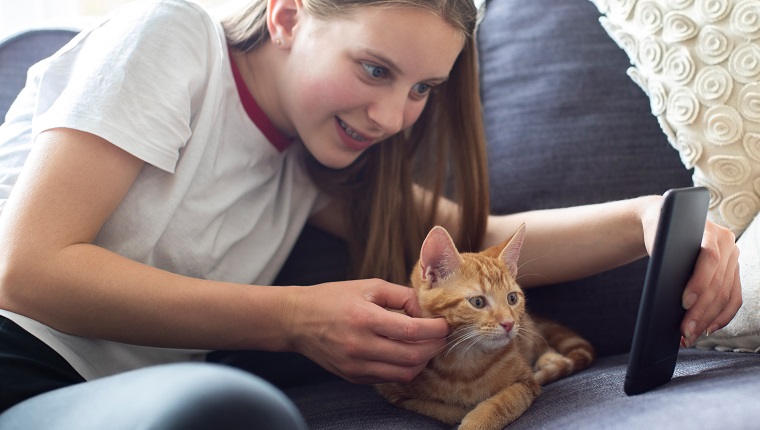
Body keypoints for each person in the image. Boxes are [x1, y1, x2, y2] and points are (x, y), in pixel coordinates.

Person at [0, 0, 741, 427]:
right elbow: (26, 271)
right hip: (19, 362)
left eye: (421, 89)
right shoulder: (172, 38)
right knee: (228, 408)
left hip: (102, 399)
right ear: (289, 15)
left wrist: (651, 217)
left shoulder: (311, 160)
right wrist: (293, 319)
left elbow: (483, 245)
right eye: (375, 69)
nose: (393, 115)